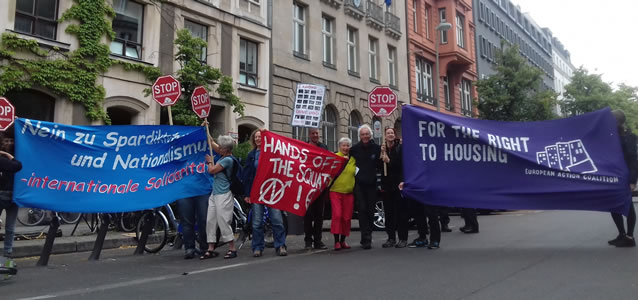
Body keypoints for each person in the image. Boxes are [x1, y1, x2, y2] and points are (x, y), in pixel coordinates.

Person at [242, 130, 288, 257]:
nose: (258, 139)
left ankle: (281, 245)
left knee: (277, 220)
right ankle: (257, 247)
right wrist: (247, 194)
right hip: (256, 193)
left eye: (260, 137)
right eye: (256, 137)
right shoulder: (251, 155)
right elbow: (247, 176)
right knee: (257, 222)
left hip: (271, 191)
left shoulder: (273, 152)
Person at [201, 135, 238, 259]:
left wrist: (209, 162)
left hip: (224, 193)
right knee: (210, 220)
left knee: (223, 220)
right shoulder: (223, 155)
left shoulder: (227, 160)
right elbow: (213, 145)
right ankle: (211, 247)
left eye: (221, 147)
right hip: (215, 193)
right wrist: (207, 129)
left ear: (226, 149)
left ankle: (232, 248)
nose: (219, 148)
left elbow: (212, 170)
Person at [350, 124, 381, 249]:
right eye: (363, 134)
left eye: (367, 134)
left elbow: (380, 165)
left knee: (370, 210)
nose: (365, 136)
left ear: (370, 135)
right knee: (362, 210)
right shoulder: (354, 149)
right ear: (359, 136)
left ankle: (369, 234)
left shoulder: (377, 148)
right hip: (359, 184)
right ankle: (366, 237)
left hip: (372, 184)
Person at [608, 110, 637, 247]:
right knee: (614, 206)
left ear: (618, 121)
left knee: (628, 206)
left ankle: (630, 237)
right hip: (613, 176)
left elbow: (633, 160)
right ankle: (622, 234)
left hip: (624, 177)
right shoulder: (611, 137)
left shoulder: (629, 137)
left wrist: (632, 180)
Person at [380, 128, 409, 248]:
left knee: (401, 213)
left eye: (392, 133)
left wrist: (389, 161)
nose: (390, 135)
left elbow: (400, 165)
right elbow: (379, 166)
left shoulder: (400, 148)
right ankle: (391, 237)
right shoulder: (382, 149)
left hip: (398, 184)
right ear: (385, 136)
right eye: (388, 134)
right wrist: (381, 156)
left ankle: (403, 238)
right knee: (389, 213)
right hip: (387, 185)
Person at [330, 137, 357, 250]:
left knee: (347, 217)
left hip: (349, 192)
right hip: (335, 191)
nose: (345, 148)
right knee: (337, 215)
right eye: (343, 145)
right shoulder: (335, 157)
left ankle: (343, 240)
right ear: (339, 147)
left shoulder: (354, 159)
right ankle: (336, 241)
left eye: (347, 146)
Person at [304, 128, 329, 250]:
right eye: (313, 134)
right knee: (308, 215)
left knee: (319, 215)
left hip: (320, 187)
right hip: (307, 186)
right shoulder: (303, 147)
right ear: (309, 135)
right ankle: (308, 240)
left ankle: (318, 240)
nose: (315, 135)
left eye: (317, 134)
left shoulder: (324, 147)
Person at [0, 133, 22, 258]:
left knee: (10, 227)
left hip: (14, 194)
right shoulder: (8, 159)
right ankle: (7, 253)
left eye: (10, 140)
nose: (8, 143)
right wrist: (8, 155)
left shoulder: (18, 153)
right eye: (6, 141)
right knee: (10, 227)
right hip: (6, 193)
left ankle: (8, 253)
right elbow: (17, 166)